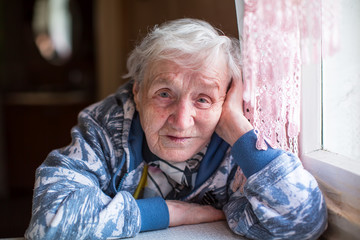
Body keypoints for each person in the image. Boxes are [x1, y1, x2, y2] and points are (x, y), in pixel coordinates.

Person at [25, 18, 327, 239]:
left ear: (226, 101)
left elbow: (304, 222)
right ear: (138, 93)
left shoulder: (238, 150)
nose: (182, 120)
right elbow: (50, 223)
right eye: (165, 93)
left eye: (204, 99)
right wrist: (170, 213)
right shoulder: (105, 128)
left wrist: (238, 131)